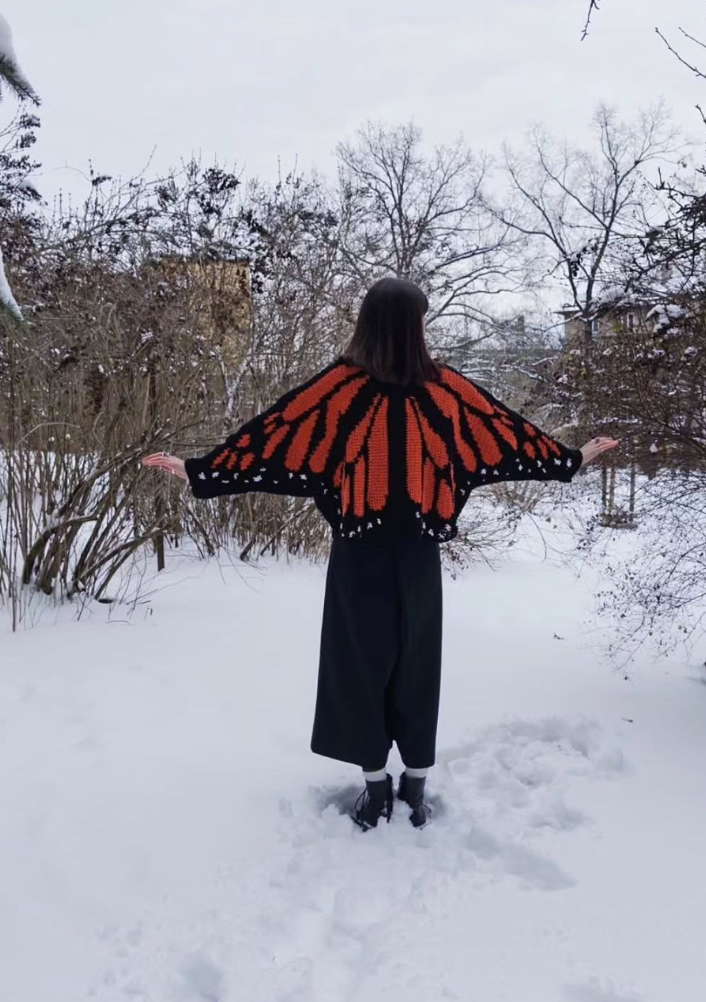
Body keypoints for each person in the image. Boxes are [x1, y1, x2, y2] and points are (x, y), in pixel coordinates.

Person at [143, 278, 618, 830]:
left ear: (367, 322)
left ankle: (378, 791)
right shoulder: (444, 389)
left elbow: (275, 436)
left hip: (359, 555)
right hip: (416, 558)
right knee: (416, 669)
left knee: (359, 669)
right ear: (413, 326)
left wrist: (202, 471)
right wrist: (569, 461)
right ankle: (412, 789)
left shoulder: (341, 388)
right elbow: (504, 434)